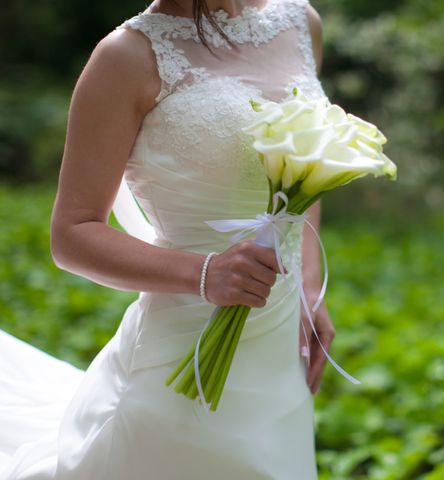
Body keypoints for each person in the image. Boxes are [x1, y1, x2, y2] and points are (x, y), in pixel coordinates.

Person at [0, 0, 336, 478]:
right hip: (182, 341)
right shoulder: (126, 57)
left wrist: (308, 286)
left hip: (279, 338)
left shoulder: (302, 23)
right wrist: (205, 274)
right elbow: (72, 234)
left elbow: (304, 171)